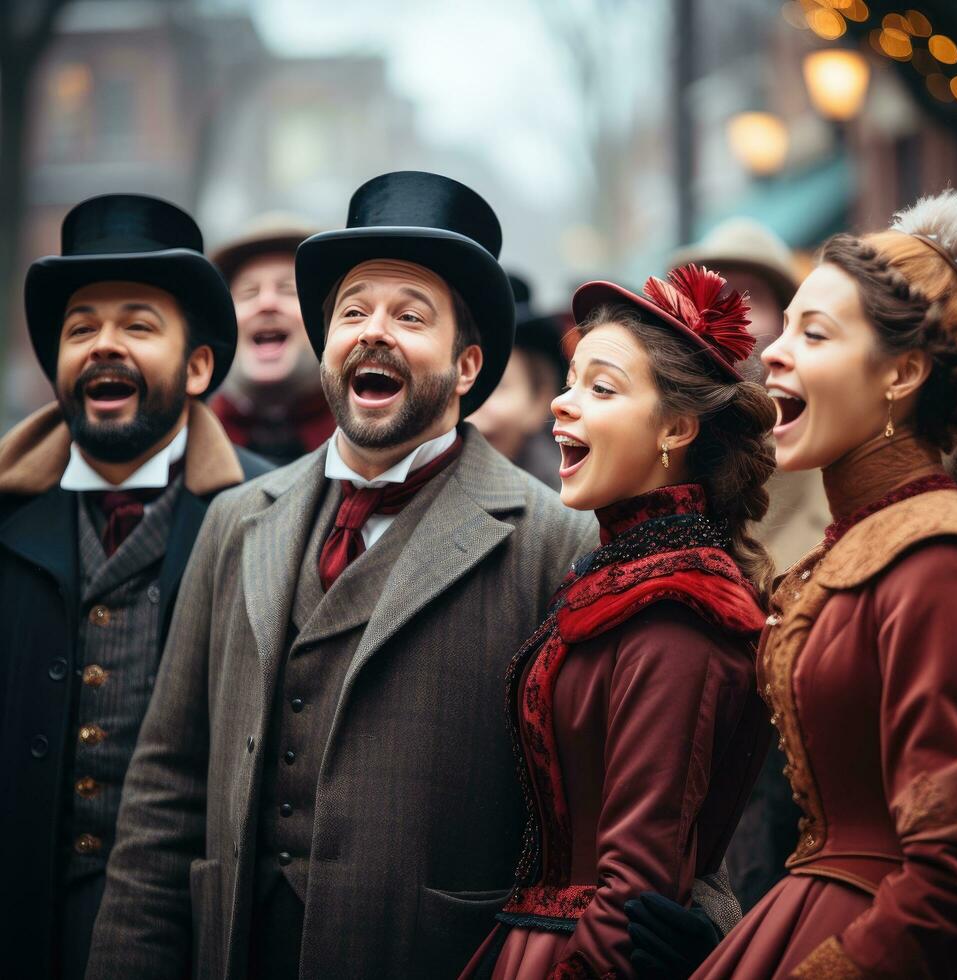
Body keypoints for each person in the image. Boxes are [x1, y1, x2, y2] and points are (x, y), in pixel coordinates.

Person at [85, 171, 596, 980]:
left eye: (409, 314)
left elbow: (592, 820)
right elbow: (166, 790)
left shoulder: (554, 542)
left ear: (468, 366)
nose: (372, 332)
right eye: (352, 312)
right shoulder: (237, 520)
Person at [628, 189, 957, 978]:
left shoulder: (937, 555)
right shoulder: (858, 542)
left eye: (812, 333)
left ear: (903, 372)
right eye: (784, 329)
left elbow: (956, 871)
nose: (775, 352)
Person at [461, 263, 776, 979]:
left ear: (676, 428)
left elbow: (636, 889)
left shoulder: (680, 611)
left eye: (600, 387)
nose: (562, 406)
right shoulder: (616, 575)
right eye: (570, 382)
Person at [0, 193, 270, 980]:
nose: (103, 348)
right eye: (80, 329)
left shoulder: (269, 519)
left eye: (137, 326)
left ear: (197, 366)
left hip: (192, 937)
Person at [671, 218, 830, 911]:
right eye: (711, 298)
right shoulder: (664, 440)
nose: (730, 317)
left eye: (749, 298)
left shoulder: (825, 440)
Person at [210, 214, 336, 464]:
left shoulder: (366, 439)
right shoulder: (185, 441)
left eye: (288, 290)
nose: (266, 303)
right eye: (249, 292)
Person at [470, 274, 566, 490]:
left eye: (496, 386)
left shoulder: (565, 506)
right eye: (463, 380)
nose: (474, 406)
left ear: (540, 400)